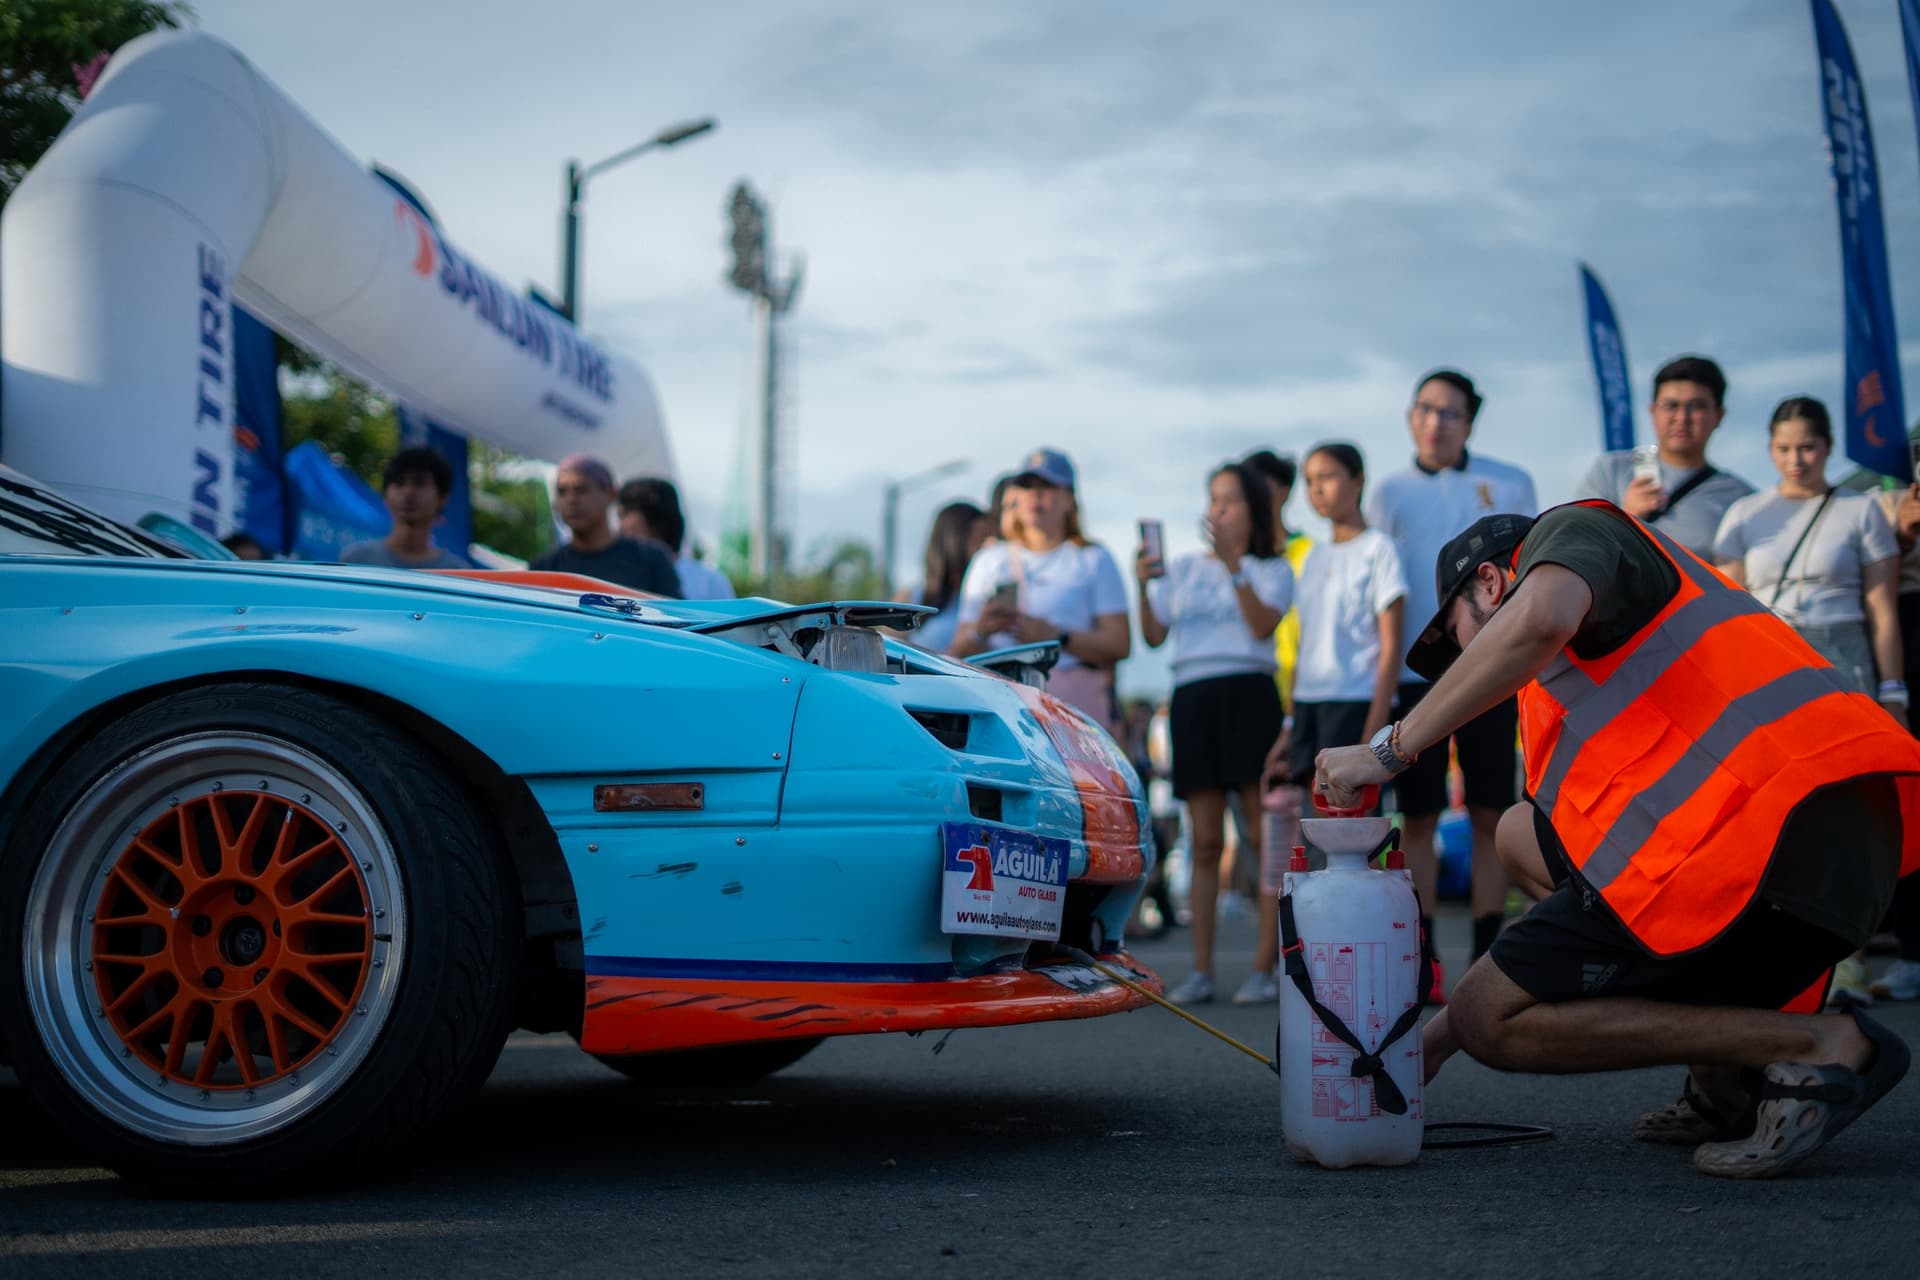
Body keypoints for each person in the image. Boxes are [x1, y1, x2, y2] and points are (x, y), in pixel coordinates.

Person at [1315, 502, 1918, 1179]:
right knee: (1519, 832)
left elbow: (1539, 616)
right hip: (1777, 856)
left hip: (1780, 843)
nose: (1468, 662)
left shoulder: (1577, 533)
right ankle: (1724, 1079)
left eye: (1462, 639)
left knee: (1492, 1018)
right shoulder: (1561, 687)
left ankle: (1821, 1047)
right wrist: (1427, 1047)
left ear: (1489, 582)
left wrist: (1391, 749)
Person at [1714, 396, 1905, 1007]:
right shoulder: (1746, 513)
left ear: (1826, 448)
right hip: (1768, 665)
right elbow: (1726, 609)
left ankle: (1845, 965)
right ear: (1770, 450)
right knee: (1773, 815)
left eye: (1809, 447)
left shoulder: (1861, 509)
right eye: (1785, 448)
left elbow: (1882, 609)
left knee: (1844, 817)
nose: (1797, 459)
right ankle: (1778, 964)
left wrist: (1893, 689)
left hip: (1843, 666)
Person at [1365, 369, 1537, 997]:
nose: (1437, 422)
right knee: (1419, 817)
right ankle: (1424, 955)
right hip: (1420, 673)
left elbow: (1528, 576)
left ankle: (1491, 956)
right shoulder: (1386, 495)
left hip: (1493, 669)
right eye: (1427, 410)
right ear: (1412, 416)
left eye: (1451, 413)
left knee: (1493, 812)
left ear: (1471, 420)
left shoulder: (1511, 481)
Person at [1137, 462, 1292, 1005]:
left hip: (1249, 692)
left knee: (1258, 832)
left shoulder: (1272, 567)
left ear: (1253, 509)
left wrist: (1234, 566)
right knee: (1204, 840)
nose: (1218, 511)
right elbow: (1154, 636)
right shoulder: (1180, 568)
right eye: (1213, 500)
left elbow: (1261, 625)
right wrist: (1143, 583)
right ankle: (1201, 971)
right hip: (1193, 696)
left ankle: (1264, 966)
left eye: (1229, 501)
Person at [1271, 443, 1407, 819]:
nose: (1317, 490)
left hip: (1355, 701)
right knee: (1313, 821)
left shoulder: (1379, 549)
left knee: (1355, 827)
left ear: (1358, 481)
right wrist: (1290, 722)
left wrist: (1373, 734)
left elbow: (1391, 644)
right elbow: (1304, 644)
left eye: (1328, 477)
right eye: (1310, 481)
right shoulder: (1312, 556)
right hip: (1309, 707)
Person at [951, 449, 1130, 732]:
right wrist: (981, 630)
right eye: (1027, 487)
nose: (1035, 496)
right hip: (1004, 705)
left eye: (1046, 487)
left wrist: (1056, 638)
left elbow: (1120, 643)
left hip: (1072, 710)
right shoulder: (989, 561)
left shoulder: (1093, 558)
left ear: (1069, 499)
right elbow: (956, 651)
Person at [1576, 355, 1755, 562]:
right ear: (1653, 412)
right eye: (1670, 406)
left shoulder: (1740, 499)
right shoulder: (1611, 470)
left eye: (1696, 406)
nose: (1682, 418)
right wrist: (1626, 517)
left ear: (1719, 415)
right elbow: (1576, 544)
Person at [1873, 475, 1920, 1003]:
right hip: (1910, 643)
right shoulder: (1885, 499)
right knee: (1907, 806)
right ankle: (1912, 950)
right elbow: (1879, 596)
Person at [533, 455, 680, 596]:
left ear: (611, 494)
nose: (571, 500)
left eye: (581, 490)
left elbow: (677, 618)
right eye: (562, 492)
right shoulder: (543, 569)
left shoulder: (650, 560)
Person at [341, 446, 468, 569]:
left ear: (442, 497)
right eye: (399, 482)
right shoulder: (356, 561)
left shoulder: (456, 573)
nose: (408, 492)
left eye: (419, 483)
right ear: (385, 495)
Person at [617, 476, 734, 600]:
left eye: (625, 515)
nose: (619, 526)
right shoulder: (617, 578)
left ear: (655, 516)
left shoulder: (710, 583)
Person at [898, 500, 990, 653]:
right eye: (980, 538)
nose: (987, 547)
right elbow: (885, 657)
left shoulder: (987, 597)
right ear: (954, 540)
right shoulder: (912, 596)